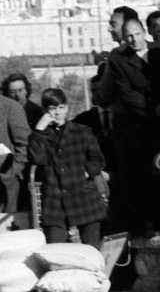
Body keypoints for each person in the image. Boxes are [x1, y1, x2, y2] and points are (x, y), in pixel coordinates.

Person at [97, 14, 160, 233]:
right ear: (123, 39)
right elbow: (125, 94)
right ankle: (143, 224)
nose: (134, 40)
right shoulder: (118, 59)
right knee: (137, 180)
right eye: (129, 37)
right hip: (134, 128)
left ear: (144, 32)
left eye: (137, 34)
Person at [27, 88, 108, 246]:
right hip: (55, 201)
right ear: (45, 111)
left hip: (84, 197)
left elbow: (97, 160)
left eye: (61, 107)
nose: (57, 113)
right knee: (56, 251)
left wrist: (85, 173)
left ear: (67, 108)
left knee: (92, 251)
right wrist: (38, 130)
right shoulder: (41, 135)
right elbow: (37, 159)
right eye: (52, 109)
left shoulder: (82, 131)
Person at [0, 65, 31, 231]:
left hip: (4, 183)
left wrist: (12, 172)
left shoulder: (9, 106)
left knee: (6, 235)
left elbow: (24, 144)